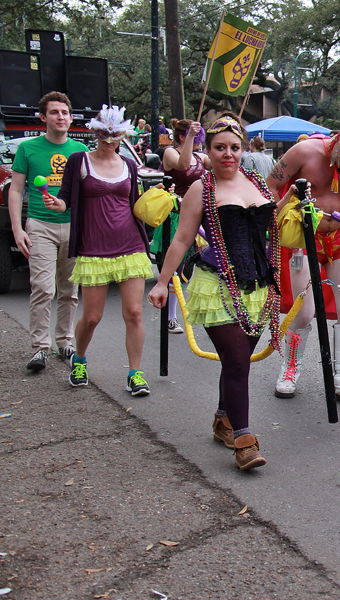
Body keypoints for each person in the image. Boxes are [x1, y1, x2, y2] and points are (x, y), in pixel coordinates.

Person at [149, 113, 286, 471]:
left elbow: (270, 229)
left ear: (244, 149)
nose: (228, 154)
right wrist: (162, 281)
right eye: (220, 148)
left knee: (234, 362)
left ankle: (223, 419)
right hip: (216, 284)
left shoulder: (257, 182)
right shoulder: (201, 187)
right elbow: (181, 239)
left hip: (259, 286)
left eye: (234, 147)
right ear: (207, 151)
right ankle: (244, 441)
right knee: (239, 362)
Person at [265, 124, 340, 406]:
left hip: (339, 236)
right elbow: (268, 185)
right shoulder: (304, 151)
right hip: (303, 235)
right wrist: (281, 208)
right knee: (303, 313)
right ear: (334, 143)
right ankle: (289, 371)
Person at [42, 105, 153, 394]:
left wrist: (161, 205)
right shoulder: (79, 161)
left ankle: (135, 374)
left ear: (121, 135)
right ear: (95, 132)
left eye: (114, 134)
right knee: (92, 317)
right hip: (93, 248)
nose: (108, 139)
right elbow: (66, 198)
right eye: (104, 133)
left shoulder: (129, 165)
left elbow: (135, 204)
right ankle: (79, 360)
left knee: (134, 312)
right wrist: (58, 204)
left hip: (130, 245)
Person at [9, 92, 88, 371]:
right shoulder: (28, 149)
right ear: (43, 117)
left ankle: (64, 342)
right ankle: (40, 348)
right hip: (40, 226)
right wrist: (18, 229)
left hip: (73, 225)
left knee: (70, 289)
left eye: (65, 113)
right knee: (42, 287)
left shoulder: (80, 152)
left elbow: (88, 191)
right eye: (54, 113)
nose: (61, 117)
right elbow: (16, 190)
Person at [160, 119, 210, 334]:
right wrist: (191, 136)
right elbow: (182, 164)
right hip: (177, 216)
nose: (198, 140)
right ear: (182, 136)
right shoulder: (170, 153)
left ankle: (209, 313)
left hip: (201, 215)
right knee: (176, 269)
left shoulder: (201, 157)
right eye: (193, 136)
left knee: (207, 264)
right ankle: (171, 317)